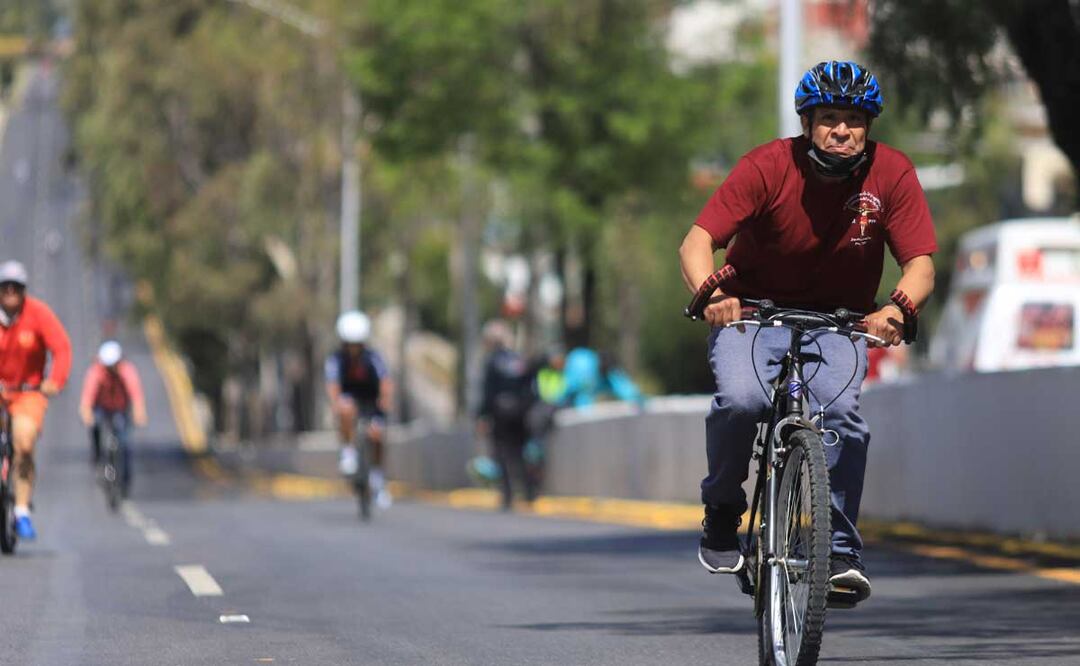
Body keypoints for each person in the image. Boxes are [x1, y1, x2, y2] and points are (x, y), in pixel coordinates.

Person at [678, 61, 936, 603]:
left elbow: (920, 265)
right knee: (743, 402)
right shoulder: (767, 165)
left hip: (840, 322)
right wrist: (713, 297)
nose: (842, 130)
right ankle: (723, 508)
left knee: (842, 420)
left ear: (868, 126)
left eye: (854, 120)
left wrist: (897, 309)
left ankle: (839, 552)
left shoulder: (892, 173)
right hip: (751, 315)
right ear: (806, 123)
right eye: (829, 119)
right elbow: (697, 243)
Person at [0, 260, 72, 540]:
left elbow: (62, 348)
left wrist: (55, 380)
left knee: (24, 441)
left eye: (16, 287)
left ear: (24, 290)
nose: (10, 291)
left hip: (27, 392)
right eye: (5, 286)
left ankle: (21, 511)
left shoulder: (38, 314)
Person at [325, 310, 393, 509]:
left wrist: (385, 400)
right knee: (345, 409)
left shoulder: (374, 358)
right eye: (350, 344)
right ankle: (348, 452)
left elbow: (385, 382)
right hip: (350, 399)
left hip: (371, 400)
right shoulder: (336, 360)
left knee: (377, 435)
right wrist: (336, 403)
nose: (353, 348)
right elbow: (332, 386)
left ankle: (377, 478)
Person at [477, 320, 537, 510]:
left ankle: (508, 495)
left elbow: (488, 392)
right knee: (520, 453)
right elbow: (530, 387)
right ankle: (528, 491)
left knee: (501, 454)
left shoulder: (492, 362)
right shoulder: (518, 360)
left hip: (500, 414)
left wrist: (482, 416)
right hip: (520, 413)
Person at [78, 341, 148, 496]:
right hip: (102, 408)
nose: (111, 369)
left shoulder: (127, 370)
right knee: (95, 425)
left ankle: (125, 479)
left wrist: (139, 412)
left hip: (120, 408)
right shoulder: (96, 372)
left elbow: (136, 394)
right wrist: (86, 413)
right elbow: (87, 396)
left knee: (124, 442)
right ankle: (98, 456)